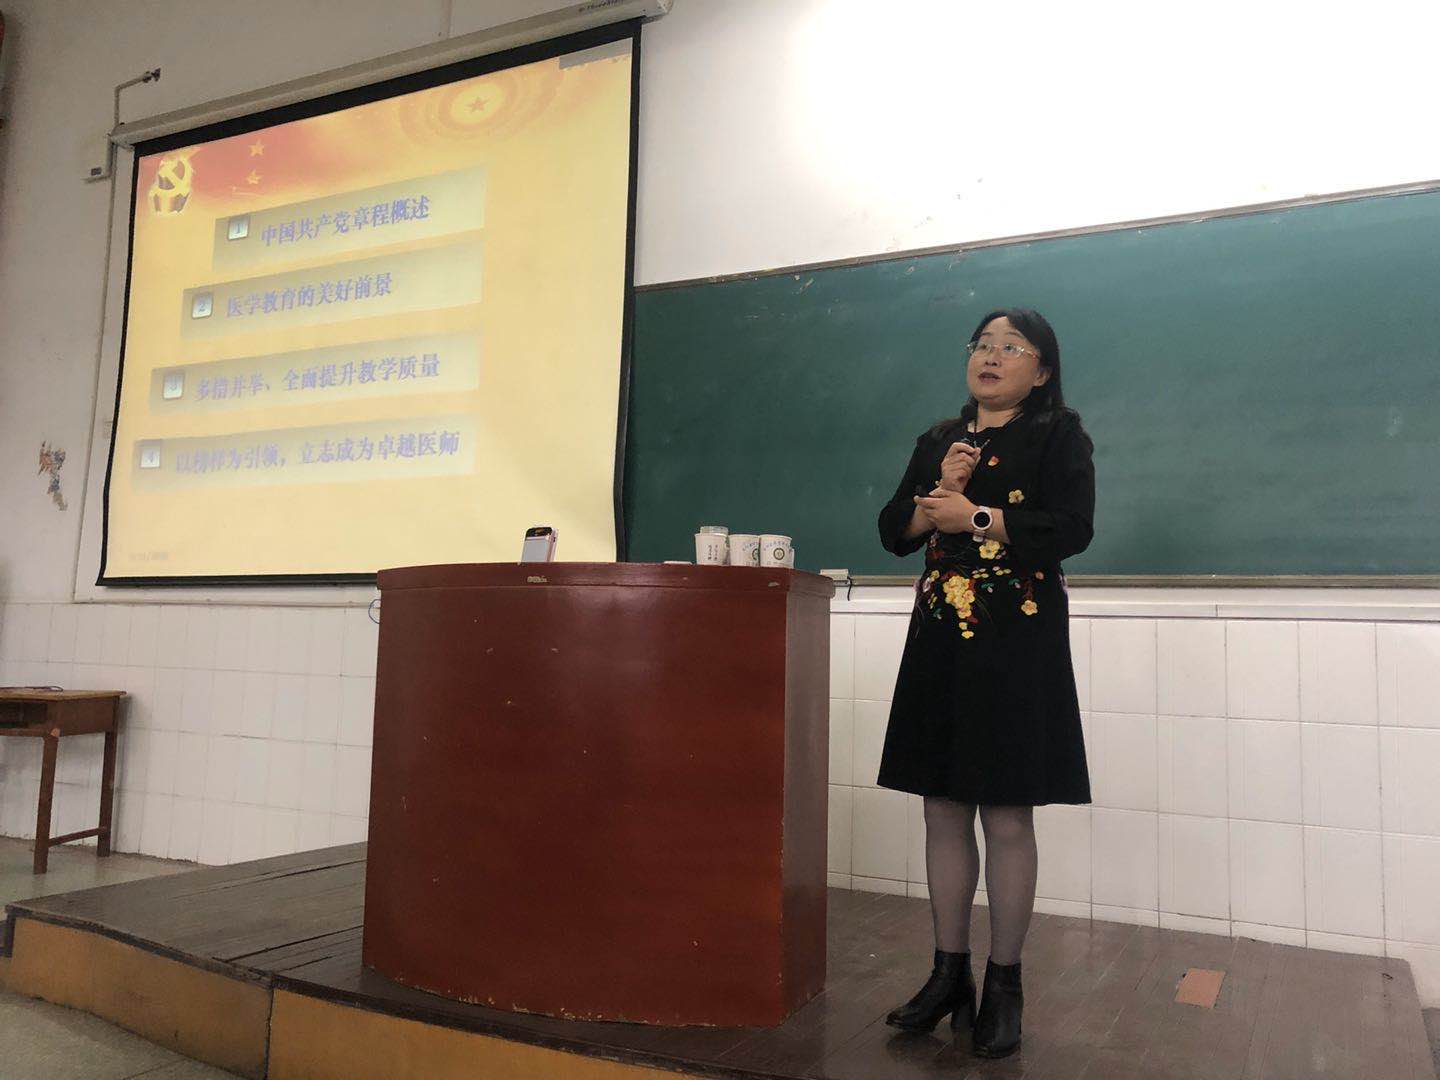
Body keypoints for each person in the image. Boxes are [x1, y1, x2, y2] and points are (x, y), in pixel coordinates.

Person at [874, 307, 1095, 1058]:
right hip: (941, 638)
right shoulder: (940, 439)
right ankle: (948, 975)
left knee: (1005, 813)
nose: (991, 356)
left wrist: (974, 518)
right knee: (941, 806)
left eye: (1011, 346)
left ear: (1043, 368)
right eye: (982, 345)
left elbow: (1072, 528)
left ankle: (1004, 985)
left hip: (1016, 643)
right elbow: (893, 531)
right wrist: (936, 494)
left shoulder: (1057, 434)